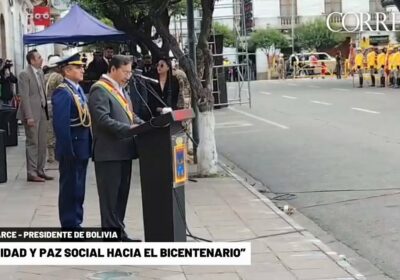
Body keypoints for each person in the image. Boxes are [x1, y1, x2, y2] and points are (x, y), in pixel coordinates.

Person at [89, 55, 144, 242]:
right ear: (113, 69)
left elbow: (130, 115)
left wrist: (146, 125)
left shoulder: (121, 90)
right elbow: (102, 120)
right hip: (108, 153)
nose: (128, 76)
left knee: (121, 196)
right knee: (109, 198)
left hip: (124, 151)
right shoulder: (100, 90)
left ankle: (120, 232)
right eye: (125, 71)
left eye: (130, 72)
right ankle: (110, 237)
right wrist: (129, 129)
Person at [52, 53, 91, 229]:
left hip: (81, 147)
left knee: (79, 189)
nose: (82, 70)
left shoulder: (77, 88)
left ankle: (76, 222)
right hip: (72, 149)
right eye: (78, 67)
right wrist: (67, 151)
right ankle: (69, 225)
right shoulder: (63, 92)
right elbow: (61, 126)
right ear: (67, 71)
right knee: (70, 190)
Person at [17, 49, 53, 182]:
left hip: (42, 111)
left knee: (42, 142)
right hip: (31, 113)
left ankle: (40, 169)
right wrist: (28, 116)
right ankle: (31, 172)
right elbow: (24, 97)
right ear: (32, 60)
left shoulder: (40, 72)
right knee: (33, 142)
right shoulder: (24, 74)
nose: (41, 59)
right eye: (38, 57)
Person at [44, 56, 63, 164]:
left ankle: (50, 155)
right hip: (56, 105)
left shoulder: (44, 76)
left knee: (49, 130)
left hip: (45, 106)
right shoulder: (58, 77)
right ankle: (56, 154)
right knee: (57, 129)